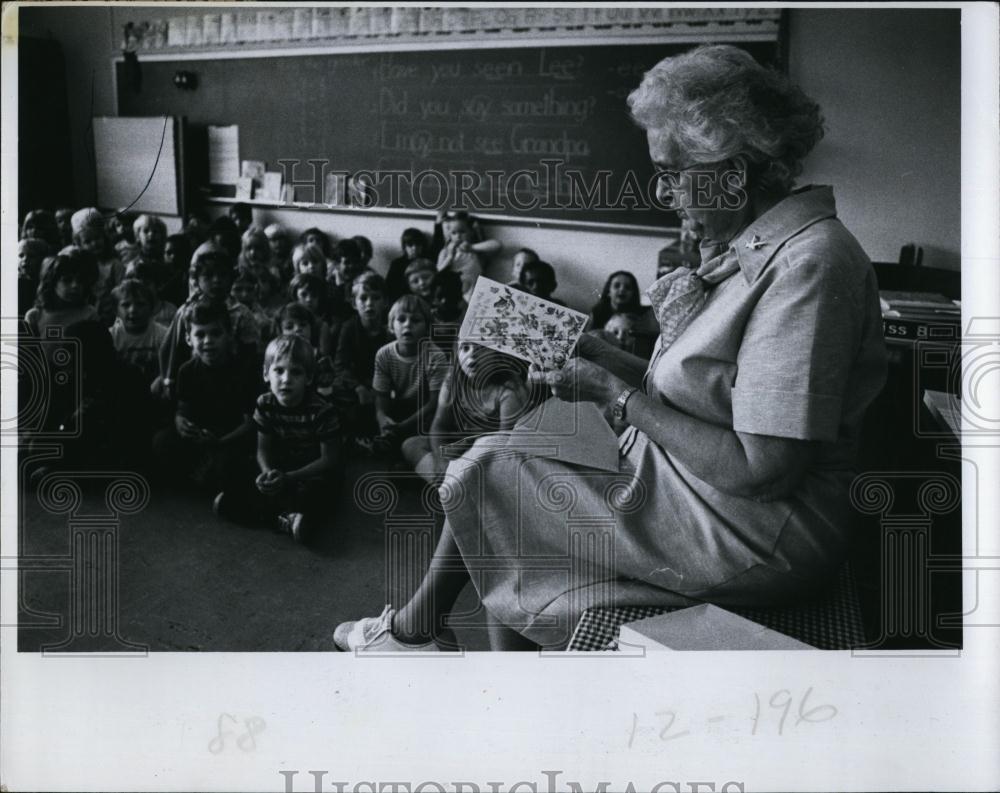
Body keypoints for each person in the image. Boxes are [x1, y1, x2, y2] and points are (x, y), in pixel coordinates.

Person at [334, 44, 888, 652]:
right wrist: (598, 350)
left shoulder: (811, 265)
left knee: (493, 471)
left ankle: (414, 635)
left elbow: (763, 470)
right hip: (699, 485)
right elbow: (700, 394)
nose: (665, 195)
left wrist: (616, 397)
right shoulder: (752, 250)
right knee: (513, 447)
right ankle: (436, 644)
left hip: (756, 529)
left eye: (673, 172)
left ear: (733, 169)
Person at [213, 334, 342, 543]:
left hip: (312, 469)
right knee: (241, 470)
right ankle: (286, 518)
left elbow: (329, 459)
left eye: (296, 372)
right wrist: (267, 473)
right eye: (278, 370)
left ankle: (280, 516)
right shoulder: (265, 403)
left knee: (322, 491)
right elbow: (263, 449)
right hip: (282, 465)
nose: (286, 379)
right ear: (266, 374)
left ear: (309, 378)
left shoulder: (322, 411)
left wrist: (290, 477)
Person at [152, 300, 258, 493]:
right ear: (188, 339)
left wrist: (219, 442)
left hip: (231, 436)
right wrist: (181, 422)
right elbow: (183, 410)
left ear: (229, 336)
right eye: (200, 334)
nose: (208, 341)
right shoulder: (186, 371)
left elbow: (250, 425)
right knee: (162, 442)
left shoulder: (244, 370)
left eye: (215, 334)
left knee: (231, 465)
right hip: (202, 434)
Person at [401, 340, 530, 485]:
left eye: (481, 348)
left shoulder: (509, 389)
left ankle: (452, 486)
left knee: (499, 470)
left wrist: (469, 446)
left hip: (491, 453)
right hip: (462, 445)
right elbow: (439, 425)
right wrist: (440, 460)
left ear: (497, 353)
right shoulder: (453, 380)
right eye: (465, 348)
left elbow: (503, 446)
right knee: (411, 444)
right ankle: (450, 484)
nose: (472, 355)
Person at [371, 295, 447, 456]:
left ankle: (399, 445)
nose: (407, 325)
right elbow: (381, 397)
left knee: (434, 424)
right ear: (391, 326)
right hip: (400, 405)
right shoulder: (384, 354)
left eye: (415, 320)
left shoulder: (435, 356)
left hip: (425, 410)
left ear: (427, 327)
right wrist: (381, 417)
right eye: (401, 319)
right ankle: (388, 439)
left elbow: (434, 402)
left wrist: (402, 427)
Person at [331, 272, 391, 444]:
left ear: (385, 302)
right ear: (354, 303)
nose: (369, 304)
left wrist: (379, 388)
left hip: (383, 384)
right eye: (363, 298)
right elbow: (340, 365)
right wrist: (358, 387)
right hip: (357, 383)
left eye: (376, 298)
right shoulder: (349, 328)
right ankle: (357, 438)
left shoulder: (390, 329)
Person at [24, 247, 99, 336]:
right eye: (67, 280)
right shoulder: (35, 316)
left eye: (80, 280)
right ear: (52, 283)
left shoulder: (89, 314)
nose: (75, 285)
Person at [109, 277, 169, 385]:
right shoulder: (111, 336)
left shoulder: (163, 335)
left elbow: (168, 368)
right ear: (116, 310)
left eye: (140, 304)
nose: (133, 310)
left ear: (152, 308)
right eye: (126, 305)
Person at [588, 270, 659, 357]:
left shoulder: (645, 315)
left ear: (633, 293)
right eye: (617, 286)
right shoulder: (597, 313)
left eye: (628, 287)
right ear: (608, 291)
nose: (622, 289)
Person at [386, 227, 429, 303]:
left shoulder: (427, 262)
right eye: (410, 245)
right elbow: (389, 288)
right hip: (402, 301)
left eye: (418, 244)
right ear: (405, 247)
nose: (414, 248)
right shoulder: (397, 264)